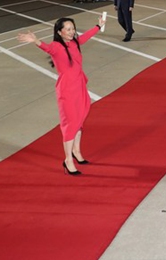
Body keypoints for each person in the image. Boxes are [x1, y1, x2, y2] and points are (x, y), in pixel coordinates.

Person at [16, 15, 105, 175]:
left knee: (80, 120)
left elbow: (84, 37)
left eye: (73, 29)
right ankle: (68, 160)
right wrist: (35, 41)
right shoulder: (57, 46)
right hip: (67, 90)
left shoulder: (75, 42)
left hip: (79, 86)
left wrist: (98, 27)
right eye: (68, 29)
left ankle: (77, 152)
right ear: (60, 31)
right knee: (70, 124)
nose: (72, 32)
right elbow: (47, 48)